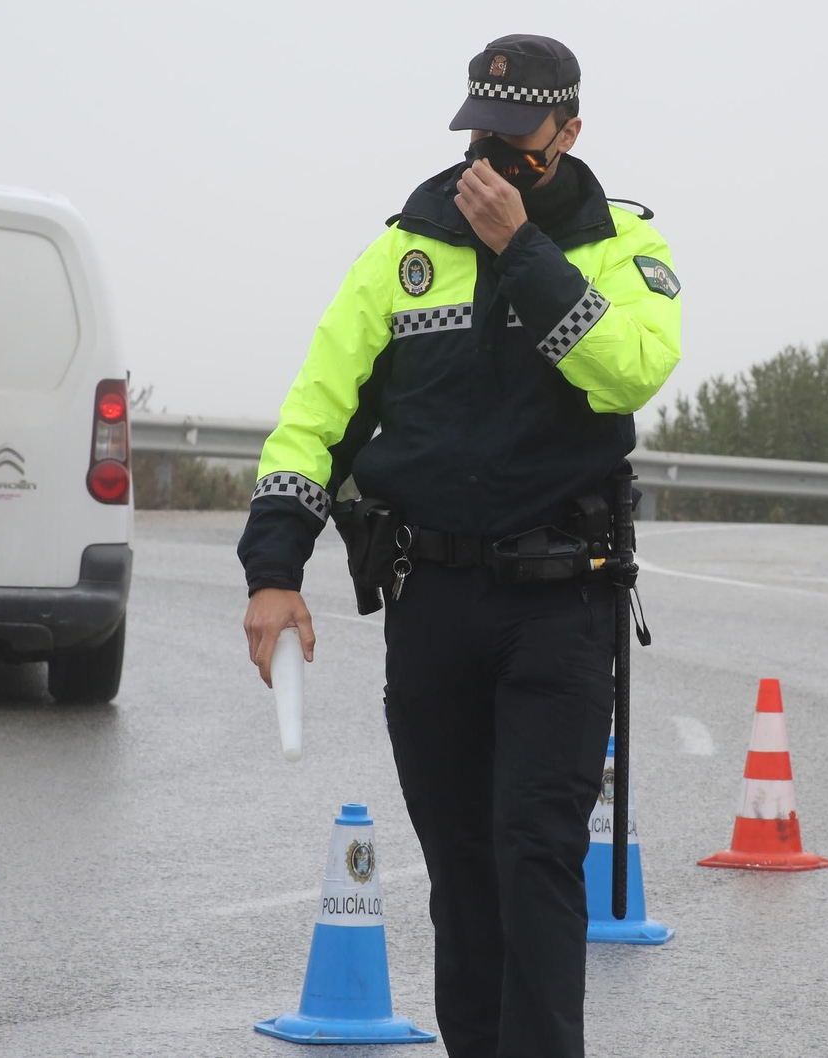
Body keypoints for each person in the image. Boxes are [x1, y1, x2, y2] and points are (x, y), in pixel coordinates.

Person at [236, 34, 681, 1057]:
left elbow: (629, 372)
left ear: (568, 132)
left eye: (517, 135)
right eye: (480, 130)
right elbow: (316, 420)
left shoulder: (620, 245)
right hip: (430, 598)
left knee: (536, 855)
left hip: (561, 602)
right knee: (463, 868)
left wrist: (524, 250)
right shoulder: (403, 250)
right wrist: (273, 571)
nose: (491, 153)